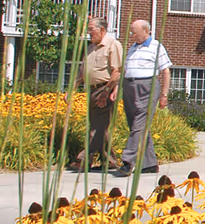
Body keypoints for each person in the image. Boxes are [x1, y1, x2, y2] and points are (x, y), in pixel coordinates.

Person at [112, 20, 172, 177]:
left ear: (146, 31)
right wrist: (117, 88)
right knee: (136, 124)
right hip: (129, 87)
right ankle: (149, 164)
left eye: (134, 32)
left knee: (139, 124)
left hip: (147, 87)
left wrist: (164, 95)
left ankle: (127, 162)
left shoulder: (156, 46)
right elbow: (125, 71)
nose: (132, 35)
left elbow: (165, 71)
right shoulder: (133, 48)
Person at [67, 17, 123, 172]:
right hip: (92, 90)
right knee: (100, 127)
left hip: (105, 89)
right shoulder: (91, 47)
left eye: (92, 29)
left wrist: (106, 92)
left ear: (102, 30)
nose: (89, 32)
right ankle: (110, 161)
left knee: (96, 128)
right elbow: (81, 72)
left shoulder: (113, 44)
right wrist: (72, 89)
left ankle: (84, 159)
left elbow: (116, 71)